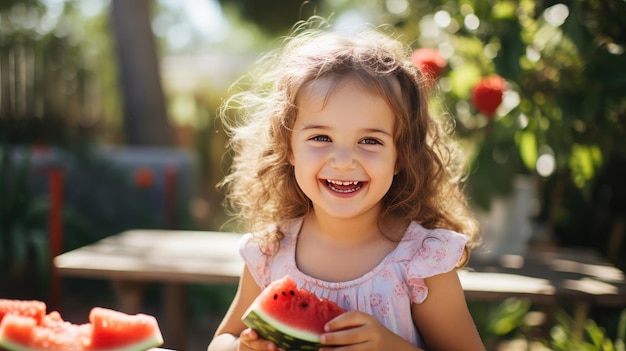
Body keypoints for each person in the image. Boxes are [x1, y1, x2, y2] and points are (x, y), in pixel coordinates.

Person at [208, 20, 485, 351]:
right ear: (289, 148)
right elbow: (221, 340)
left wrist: (389, 346)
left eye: (369, 140)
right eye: (321, 137)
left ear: (401, 157)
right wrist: (241, 347)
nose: (343, 160)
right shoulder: (270, 252)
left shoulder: (420, 264)